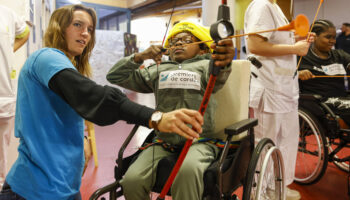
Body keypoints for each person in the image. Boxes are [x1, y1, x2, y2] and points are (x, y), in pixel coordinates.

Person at [0, 5, 204, 200]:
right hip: (33, 190)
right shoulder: (46, 57)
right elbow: (94, 96)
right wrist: (155, 118)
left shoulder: (64, 66)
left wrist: (84, 137)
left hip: (64, 187)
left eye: (89, 29)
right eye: (78, 25)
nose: (86, 34)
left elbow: (68, 108)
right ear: (58, 28)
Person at [106, 21, 234, 200]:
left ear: (203, 49)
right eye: (173, 42)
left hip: (199, 141)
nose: (178, 44)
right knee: (131, 180)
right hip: (163, 141)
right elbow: (115, 76)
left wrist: (224, 60)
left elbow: (219, 74)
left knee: (187, 172)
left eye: (186, 39)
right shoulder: (158, 69)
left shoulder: (207, 66)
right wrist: (140, 56)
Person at [244, 0, 314, 199]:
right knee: (266, 144)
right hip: (269, 88)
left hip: (284, 87)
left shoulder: (277, 9)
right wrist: (295, 48)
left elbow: (276, 43)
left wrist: (298, 42)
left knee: (285, 141)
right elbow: (255, 45)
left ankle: (277, 187)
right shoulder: (262, 5)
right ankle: (260, 193)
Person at [298, 19, 350, 125]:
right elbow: (279, 71)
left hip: (342, 98)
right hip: (319, 103)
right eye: (328, 37)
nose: (333, 41)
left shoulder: (339, 55)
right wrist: (297, 74)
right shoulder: (301, 56)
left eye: (334, 37)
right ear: (314, 37)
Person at [0, 5, 30, 188]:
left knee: (3, 150)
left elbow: (25, 32)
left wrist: (9, 50)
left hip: (3, 93)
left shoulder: (7, 13)